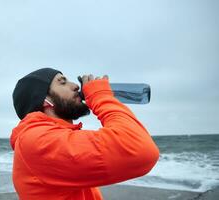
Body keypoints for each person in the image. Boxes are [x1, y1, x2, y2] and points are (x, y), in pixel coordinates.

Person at [10, 68, 159, 200]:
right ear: (44, 100)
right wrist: (100, 96)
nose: (75, 86)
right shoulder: (37, 140)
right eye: (62, 83)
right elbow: (140, 150)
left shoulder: (51, 137)